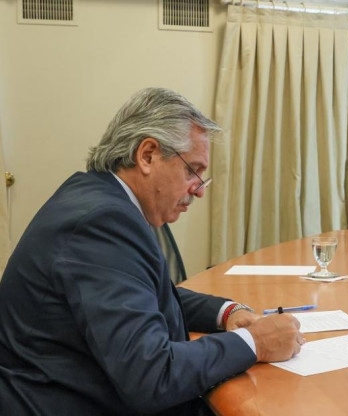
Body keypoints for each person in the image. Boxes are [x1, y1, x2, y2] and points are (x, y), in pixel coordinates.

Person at [0, 88, 304, 415]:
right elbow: (151, 375)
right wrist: (255, 343)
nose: (199, 190)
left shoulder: (95, 197)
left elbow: (146, 295)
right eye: (193, 171)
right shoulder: (103, 223)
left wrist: (227, 313)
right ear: (147, 155)